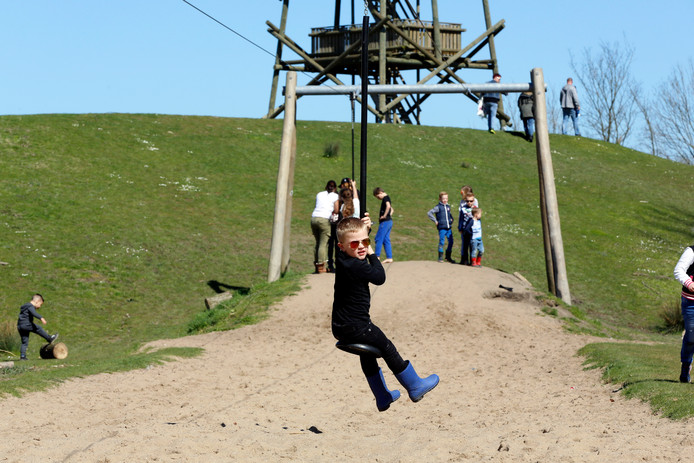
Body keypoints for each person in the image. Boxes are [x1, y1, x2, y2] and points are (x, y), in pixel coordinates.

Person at [332, 217, 439, 411]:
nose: (362, 247)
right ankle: (415, 386)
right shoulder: (357, 265)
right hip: (359, 326)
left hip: (340, 327)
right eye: (355, 244)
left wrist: (364, 229)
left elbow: (346, 235)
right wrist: (372, 253)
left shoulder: (342, 258)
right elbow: (380, 277)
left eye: (365, 241)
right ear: (342, 246)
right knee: (387, 348)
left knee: (367, 353)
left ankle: (382, 396)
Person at [673, 245, 694, 382]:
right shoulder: (692, 251)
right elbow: (678, 270)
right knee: (692, 336)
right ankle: (686, 365)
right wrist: (689, 283)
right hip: (691, 301)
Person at [17, 294, 58, 360]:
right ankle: (49, 338)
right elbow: (33, 313)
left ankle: (22, 356)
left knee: (24, 341)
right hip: (26, 324)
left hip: (20, 326)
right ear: (37, 301)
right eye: (40, 304)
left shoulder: (24, 306)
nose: (39, 307)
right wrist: (41, 318)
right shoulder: (30, 306)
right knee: (38, 328)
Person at [311, 180, 339, 274]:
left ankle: (316, 264)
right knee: (323, 243)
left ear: (326, 187)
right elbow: (336, 209)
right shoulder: (335, 196)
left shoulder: (319, 194)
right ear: (334, 188)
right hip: (324, 219)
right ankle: (321, 266)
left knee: (318, 242)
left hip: (314, 218)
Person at [427, 192, 455, 263]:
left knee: (451, 242)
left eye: (446, 198)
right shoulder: (438, 207)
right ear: (440, 199)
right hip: (442, 228)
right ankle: (440, 257)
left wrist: (451, 219)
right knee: (442, 242)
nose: (445, 200)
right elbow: (429, 213)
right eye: (443, 198)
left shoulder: (448, 206)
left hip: (449, 228)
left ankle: (448, 257)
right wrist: (435, 221)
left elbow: (449, 215)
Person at [373, 187, 394, 263]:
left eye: (378, 196)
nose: (378, 198)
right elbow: (392, 209)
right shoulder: (387, 198)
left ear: (380, 192)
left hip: (385, 222)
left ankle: (377, 256)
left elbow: (388, 207)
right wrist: (389, 215)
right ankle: (389, 257)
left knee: (378, 238)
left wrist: (384, 216)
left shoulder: (385, 198)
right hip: (389, 221)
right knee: (386, 239)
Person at [458, 191, 476, 266]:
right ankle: (464, 260)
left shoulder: (476, 209)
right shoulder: (463, 209)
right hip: (465, 230)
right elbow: (461, 219)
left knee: (472, 246)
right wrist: (460, 228)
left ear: (473, 201)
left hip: (473, 231)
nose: (469, 202)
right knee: (465, 245)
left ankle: (472, 261)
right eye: (467, 201)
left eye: (471, 201)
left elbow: (478, 220)